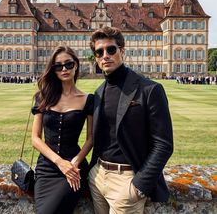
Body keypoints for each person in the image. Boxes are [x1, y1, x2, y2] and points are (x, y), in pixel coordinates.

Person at [88, 27, 173, 214]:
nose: (105, 56)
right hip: (98, 177)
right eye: (99, 52)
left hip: (126, 181)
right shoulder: (99, 92)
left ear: (122, 51)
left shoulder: (150, 89)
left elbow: (164, 144)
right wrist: (92, 172)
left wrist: (138, 186)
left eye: (111, 50)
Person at [31, 46, 93, 214]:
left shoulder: (88, 99)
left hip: (74, 167)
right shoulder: (43, 97)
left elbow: (90, 139)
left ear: (76, 65)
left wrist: (74, 163)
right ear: (53, 70)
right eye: (58, 66)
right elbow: (35, 138)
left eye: (68, 64)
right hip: (47, 168)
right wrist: (60, 162)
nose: (64, 69)